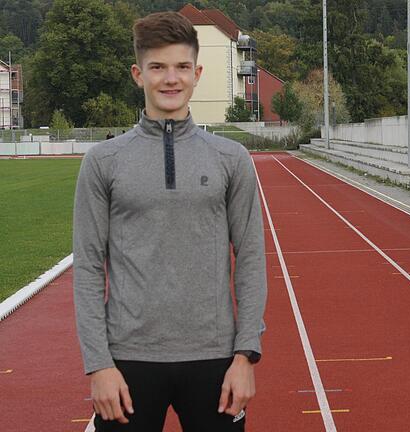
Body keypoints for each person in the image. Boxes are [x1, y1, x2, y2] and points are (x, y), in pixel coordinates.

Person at [73, 12, 267, 431]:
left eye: (181, 67)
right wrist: (98, 365)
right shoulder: (102, 161)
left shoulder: (232, 159)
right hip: (127, 362)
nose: (170, 79)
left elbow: (250, 257)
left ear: (197, 73)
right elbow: (88, 267)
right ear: (137, 74)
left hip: (215, 359)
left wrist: (245, 355)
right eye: (157, 67)